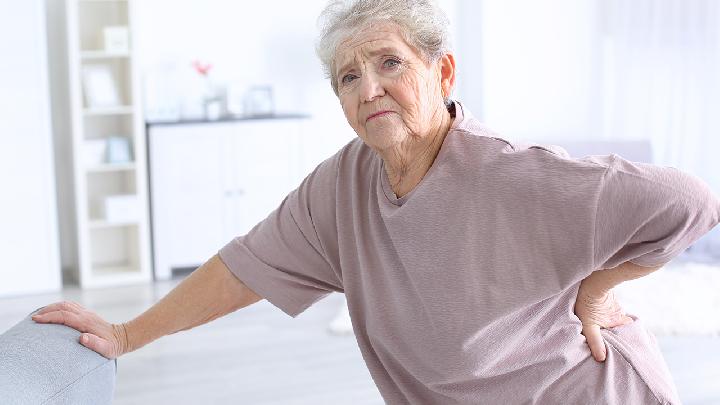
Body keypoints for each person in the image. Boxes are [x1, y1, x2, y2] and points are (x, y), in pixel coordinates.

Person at [30, 0, 720, 403]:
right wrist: (124, 336)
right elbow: (242, 269)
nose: (367, 90)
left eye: (389, 63)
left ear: (441, 71)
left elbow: (687, 201)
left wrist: (597, 293)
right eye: (348, 77)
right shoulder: (343, 187)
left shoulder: (513, 175)